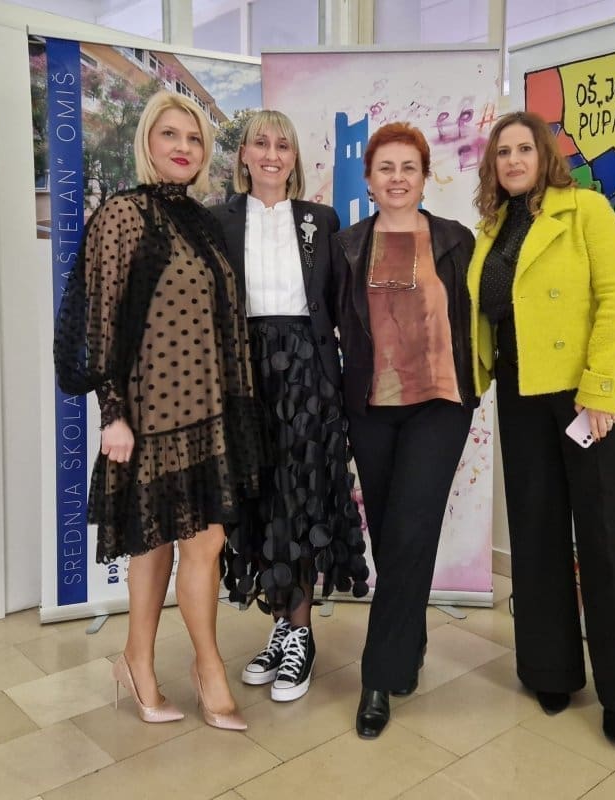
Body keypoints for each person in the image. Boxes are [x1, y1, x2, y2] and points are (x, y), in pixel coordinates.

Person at [54, 90, 264, 731]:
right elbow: (101, 318)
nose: (183, 147)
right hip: (149, 413)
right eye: (170, 134)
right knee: (154, 546)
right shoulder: (123, 214)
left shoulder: (203, 221)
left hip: (207, 412)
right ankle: (145, 665)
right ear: (147, 141)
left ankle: (198, 666)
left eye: (194, 138)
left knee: (200, 541)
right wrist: (112, 412)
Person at [468, 111, 615, 743]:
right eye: (503, 152)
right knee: (536, 532)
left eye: (524, 149)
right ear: (493, 165)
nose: (513, 160)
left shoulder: (587, 210)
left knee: (612, 536)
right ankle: (549, 669)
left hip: (591, 393)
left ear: (545, 156)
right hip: (522, 391)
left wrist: (603, 387)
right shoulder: (491, 227)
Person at [211, 110, 369, 703]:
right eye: (261, 143)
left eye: (283, 144)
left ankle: (300, 634)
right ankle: (281, 627)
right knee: (260, 500)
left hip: (306, 369)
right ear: (244, 154)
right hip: (244, 371)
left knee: (300, 501)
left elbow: (340, 305)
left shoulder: (319, 220)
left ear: (295, 157)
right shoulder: (218, 220)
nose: (272, 154)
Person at [331, 122, 478, 739]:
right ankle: (409, 639)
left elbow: (478, 315)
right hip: (371, 408)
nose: (397, 178)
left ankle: (377, 677)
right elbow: (331, 327)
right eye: (385, 168)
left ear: (424, 177)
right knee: (393, 537)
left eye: (408, 167)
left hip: (439, 405)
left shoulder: (455, 239)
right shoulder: (345, 247)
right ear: (368, 179)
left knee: (412, 529)